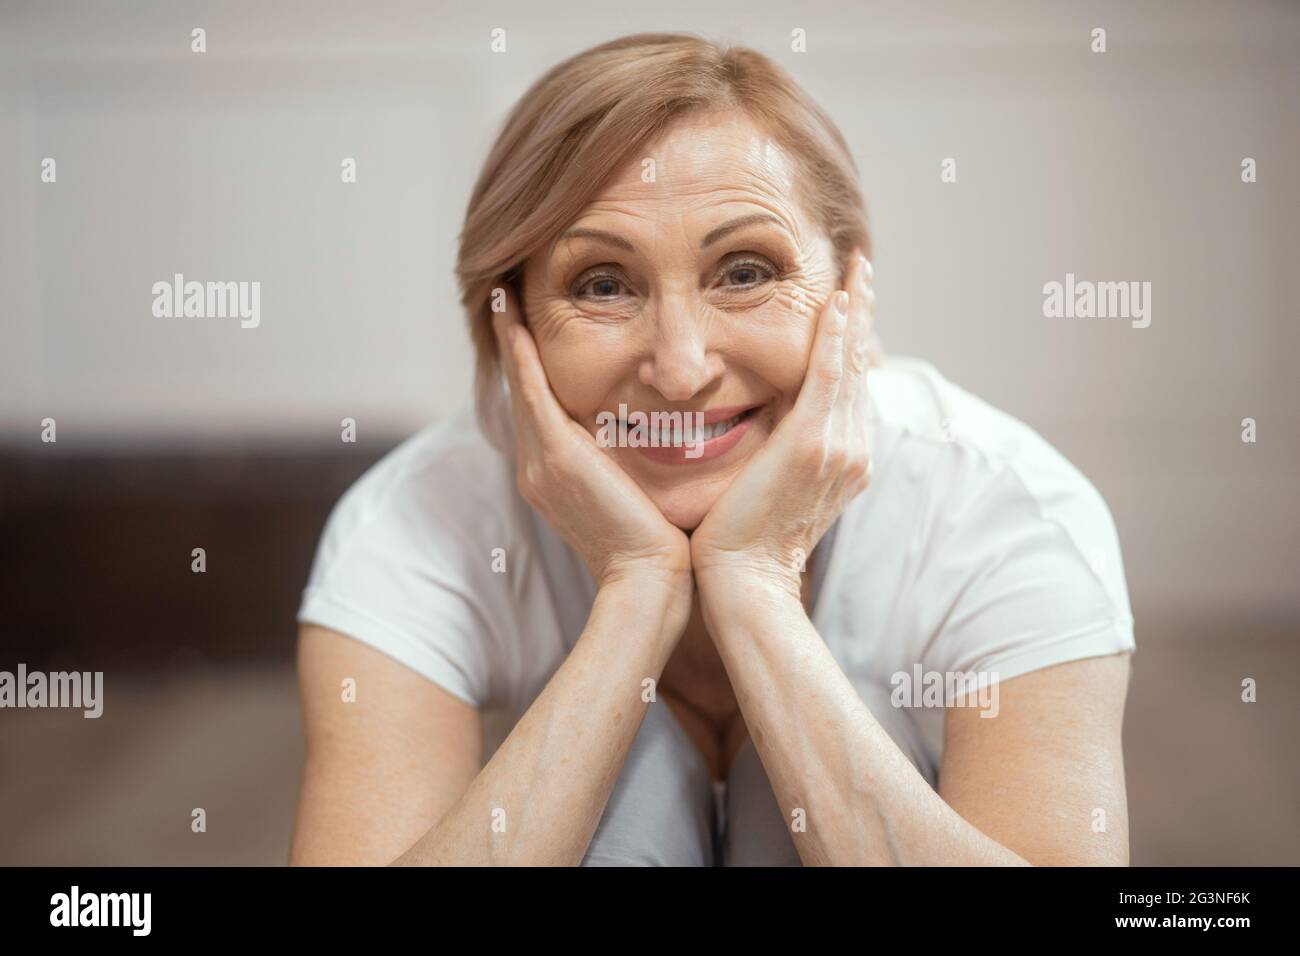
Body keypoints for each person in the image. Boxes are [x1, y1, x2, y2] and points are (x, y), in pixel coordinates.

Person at [288, 33, 1135, 866]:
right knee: (631, 780)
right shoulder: (414, 525)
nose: (682, 370)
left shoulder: (1006, 509)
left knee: (799, 773)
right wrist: (635, 597)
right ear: (506, 323)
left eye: (744, 271)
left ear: (849, 295)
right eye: (603, 286)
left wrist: (755, 583)